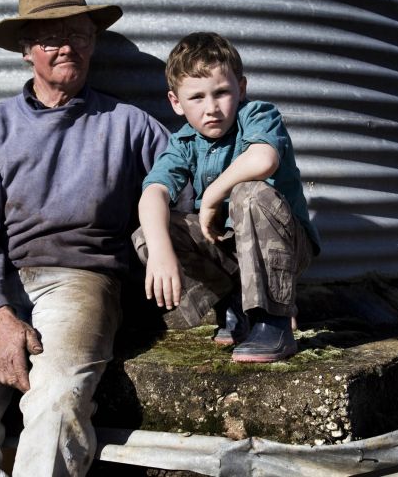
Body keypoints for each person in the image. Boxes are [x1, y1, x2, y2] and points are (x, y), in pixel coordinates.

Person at [0, 0, 170, 476]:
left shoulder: (129, 124)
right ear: (26, 51)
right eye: (51, 38)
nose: (68, 48)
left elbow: (186, 186)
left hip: (81, 278)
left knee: (58, 400)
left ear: (93, 44)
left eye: (79, 35)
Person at [133, 32, 320, 363]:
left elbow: (263, 159)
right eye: (196, 97)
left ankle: (273, 321)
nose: (212, 108)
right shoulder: (184, 142)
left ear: (241, 88)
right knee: (149, 233)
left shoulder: (257, 115)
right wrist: (161, 251)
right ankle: (234, 303)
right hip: (229, 247)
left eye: (221, 93)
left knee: (249, 193)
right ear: (176, 102)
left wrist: (213, 195)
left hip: (285, 246)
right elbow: (153, 193)